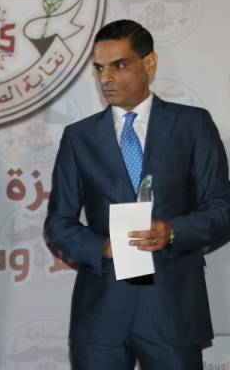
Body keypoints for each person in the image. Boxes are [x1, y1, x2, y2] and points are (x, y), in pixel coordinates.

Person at [44, 19, 230, 369]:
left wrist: (171, 231)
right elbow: (58, 223)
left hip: (172, 308)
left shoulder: (192, 125)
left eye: (119, 65)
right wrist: (102, 247)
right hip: (101, 312)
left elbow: (222, 209)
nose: (106, 78)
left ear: (150, 63)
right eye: (99, 68)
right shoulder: (79, 137)